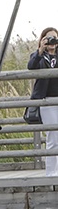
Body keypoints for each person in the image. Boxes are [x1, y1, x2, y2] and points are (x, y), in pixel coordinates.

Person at [27, 27, 58, 177]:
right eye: (48, 38)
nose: (52, 41)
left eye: (55, 38)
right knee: (52, 135)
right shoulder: (39, 56)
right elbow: (31, 66)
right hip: (47, 101)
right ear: (42, 40)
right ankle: (51, 173)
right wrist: (40, 50)